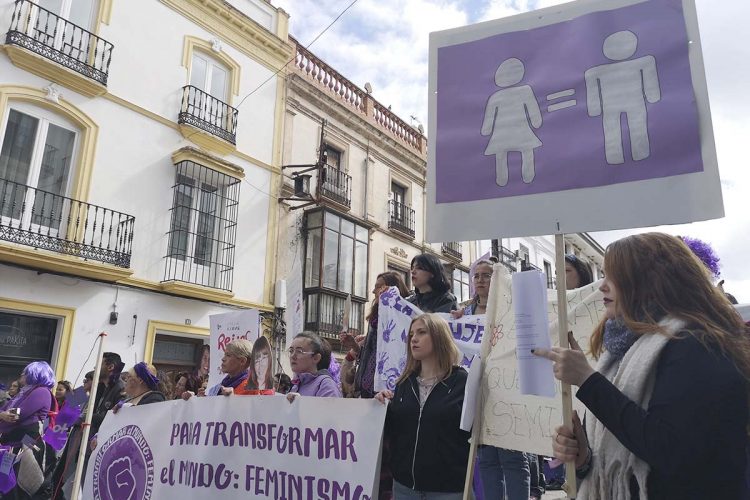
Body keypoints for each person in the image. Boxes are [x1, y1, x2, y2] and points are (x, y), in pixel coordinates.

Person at [534, 233, 750, 499]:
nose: (602, 286)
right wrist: (583, 457)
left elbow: (672, 451)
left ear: (650, 281)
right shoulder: (622, 351)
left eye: (614, 276)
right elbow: (626, 448)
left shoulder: (697, 345)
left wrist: (589, 381)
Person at [451, 258, 531, 500]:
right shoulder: (465, 312)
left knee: (513, 457)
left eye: (487, 275)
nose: (481, 280)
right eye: (476, 276)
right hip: (479, 392)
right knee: (486, 458)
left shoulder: (510, 308)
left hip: (508, 389)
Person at [376, 313, 470, 499]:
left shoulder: (462, 382)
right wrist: (383, 407)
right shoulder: (404, 383)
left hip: (448, 490)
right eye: (411, 335)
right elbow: (395, 431)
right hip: (404, 487)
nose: (414, 339)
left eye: (421, 332)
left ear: (439, 336)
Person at [0, 361, 57, 499]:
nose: (21, 375)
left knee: (20, 481)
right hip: (12, 441)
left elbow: (17, 414)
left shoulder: (41, 391)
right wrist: (2, 415)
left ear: (35, 374)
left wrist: (3, 415)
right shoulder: (24, 392)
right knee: (7, 480)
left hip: (26, 441)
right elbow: (5, 411)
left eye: (25, 373)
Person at [287, 332, 341, 399]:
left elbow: (330, 409)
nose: (293, 356)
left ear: (316, 358)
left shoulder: (325, 385)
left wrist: (301, 404)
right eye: (291, 351)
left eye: (299, 351)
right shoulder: (295, 386)